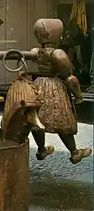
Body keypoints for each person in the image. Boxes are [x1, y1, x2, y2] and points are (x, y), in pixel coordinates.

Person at [30, 18, 92, 164]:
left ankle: (41, 150)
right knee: (62, 121)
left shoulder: (36, 51)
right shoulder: (57, 53)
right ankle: (75, 152)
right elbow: (69, 76)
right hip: (54, 87)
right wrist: (78, 96)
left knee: (36, 119)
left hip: (39, 84)